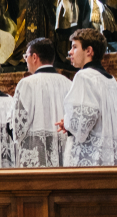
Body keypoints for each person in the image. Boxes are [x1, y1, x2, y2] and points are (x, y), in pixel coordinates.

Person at [59, 29, 117, 166]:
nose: (70, 52)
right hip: (111, 159)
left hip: (92, 160)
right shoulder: (111, 81)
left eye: (75, 47)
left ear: (89, 51)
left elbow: (81, 127)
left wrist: (68, 123)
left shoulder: (84, 76)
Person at [9, 39, 72, 167]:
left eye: (26, 56)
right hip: (64, 155)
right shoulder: (68, 83)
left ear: (34, 57)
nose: (25, 60)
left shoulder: (27, 83)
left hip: (36, 158)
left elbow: (18, 127)